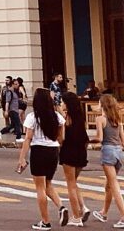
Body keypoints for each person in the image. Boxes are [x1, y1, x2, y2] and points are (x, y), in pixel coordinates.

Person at [17, 87, 67, 230]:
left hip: (38, 151)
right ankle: (62, 207)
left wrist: (21, 158)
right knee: (48, 183)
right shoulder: (57, 116)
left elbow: (28, 139)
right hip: (53, 151)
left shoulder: (33, 117)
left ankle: (45, 221)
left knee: (40, 188)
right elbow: (61, 138)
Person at [59, 91, 91, 227]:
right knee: (74, 182)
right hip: (81, 154)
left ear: (67, 104)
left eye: (62, 102)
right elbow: (85, 139)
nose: (60, 104)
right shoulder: (80, 117)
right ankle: (83, 207)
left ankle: (76, 217)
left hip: (68, 153)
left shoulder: (66, 119)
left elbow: (62, 138)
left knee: (70, 185)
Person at [92, 93, 124, 226]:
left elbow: (99, 138)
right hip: (119, 152)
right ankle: (104, 212)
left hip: (108, 151)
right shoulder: (117, 119)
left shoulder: (100, 119)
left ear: (102, 105)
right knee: (109, 185)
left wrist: (88, 140)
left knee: (114, 185)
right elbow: (123, 140)